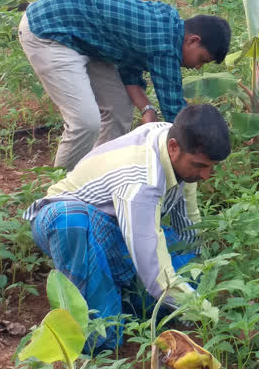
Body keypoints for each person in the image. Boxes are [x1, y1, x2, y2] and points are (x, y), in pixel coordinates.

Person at [23, 104, 231, 350]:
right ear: (174, 148)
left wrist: (201, 267)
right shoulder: (142, 180)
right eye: (199, 166)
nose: (206, 175)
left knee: (188, 268)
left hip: (117, 226)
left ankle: (120, 295)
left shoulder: (174, 140)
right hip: (66, 221)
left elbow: (189, 224)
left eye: (210, 166)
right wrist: (213, 316)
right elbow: (157, 277)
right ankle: (96, 333)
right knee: (107, 334)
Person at [18, 0, 232, 170]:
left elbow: (128, 72)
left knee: (119, 111)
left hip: (86, 39)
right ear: (192, 40)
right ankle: (61, 190)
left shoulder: (166, 27)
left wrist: (147, 110)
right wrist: (202, 148)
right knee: (86, 121)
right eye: (202, 59)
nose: (197, 67)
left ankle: (97, 174)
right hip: (49, 30)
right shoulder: (164, 42)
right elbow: (174, 110)